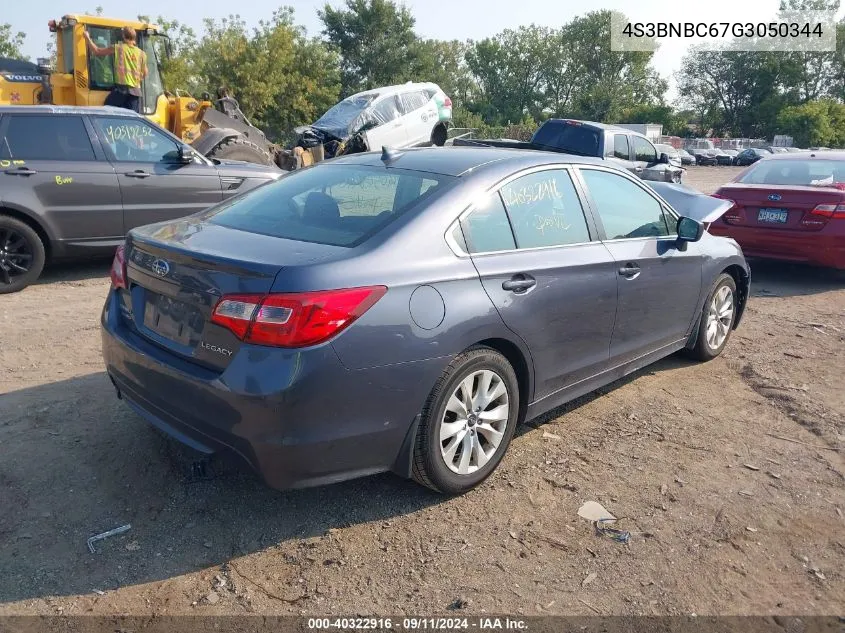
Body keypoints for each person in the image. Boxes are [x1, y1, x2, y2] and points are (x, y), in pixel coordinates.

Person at [83, 26, 147, 113]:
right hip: (135, 92)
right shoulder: (142, 54)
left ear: (124, 36)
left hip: (122, 90)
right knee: (132, 118)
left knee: (107, 111)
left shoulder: (118, 48)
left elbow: (97, 51)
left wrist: (87, 38)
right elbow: (145, 73)